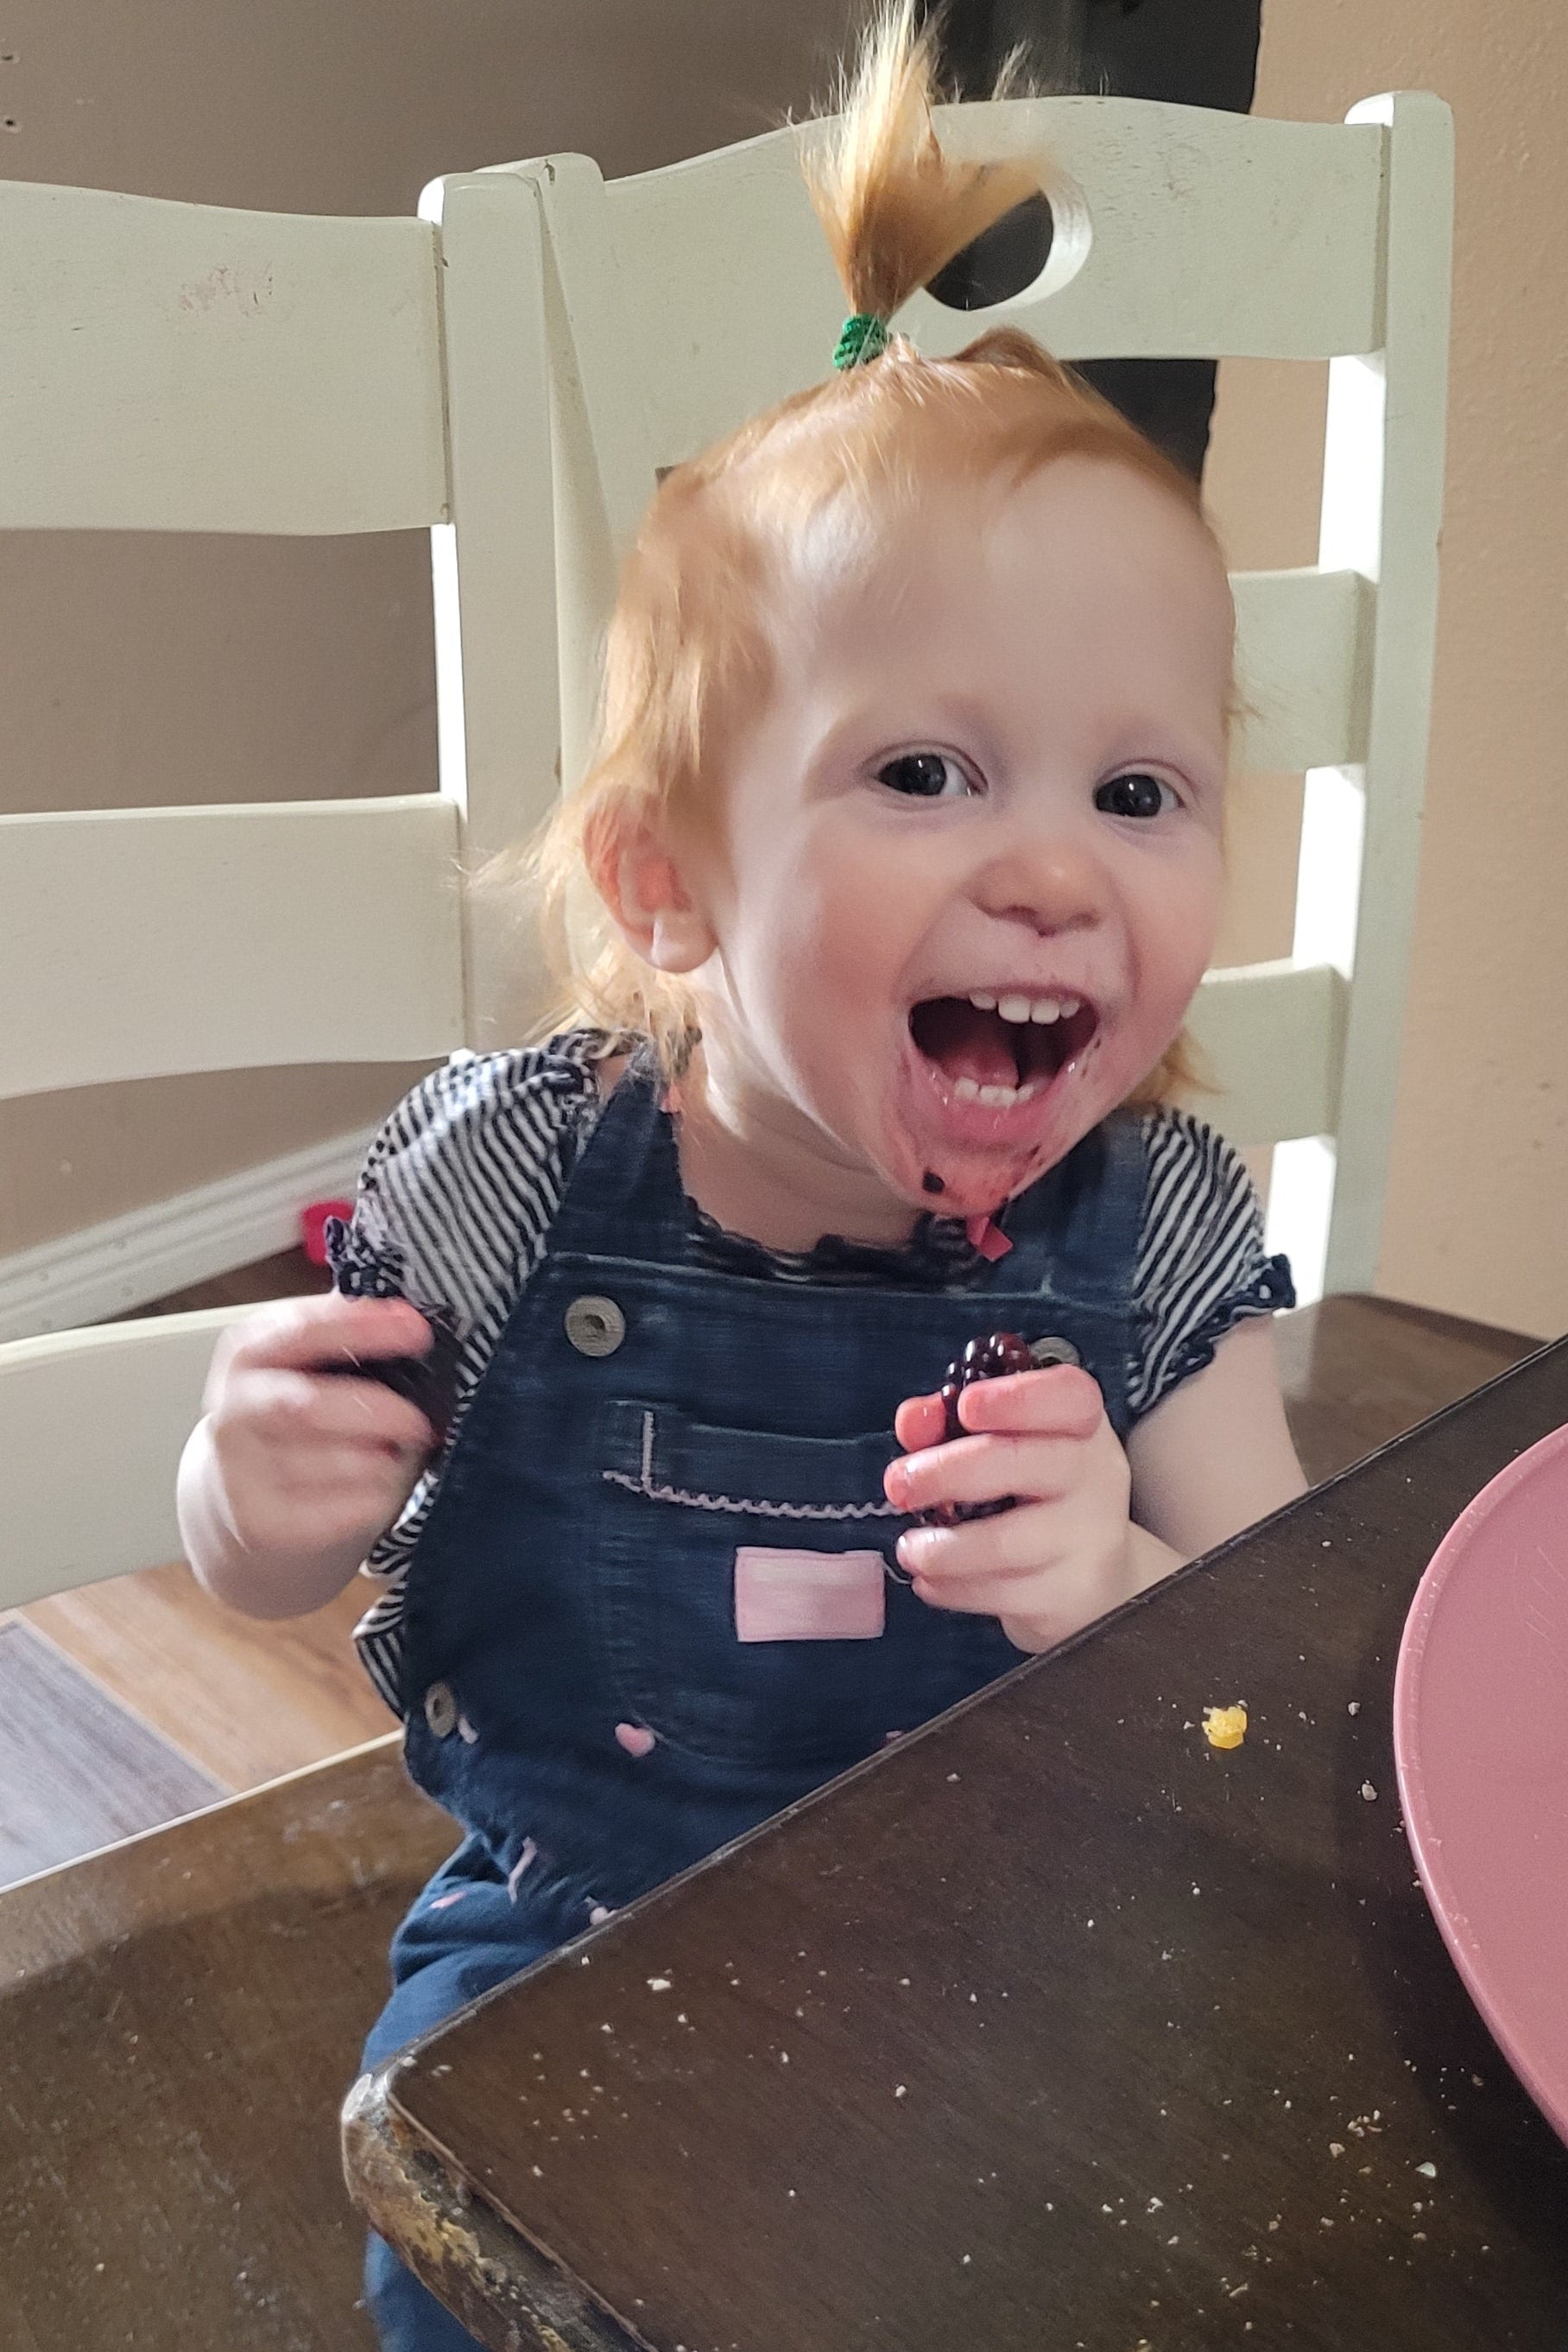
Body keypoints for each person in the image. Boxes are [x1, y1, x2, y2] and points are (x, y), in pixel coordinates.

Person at [177, 8, 1306, 2341]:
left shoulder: (1158, 1228)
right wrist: (247, 1491)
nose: (1054, 876)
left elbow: (1276, 1680)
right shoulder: (514, 1184)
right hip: (577, 1943)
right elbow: (271, 1567)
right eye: (927, 769)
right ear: (670, 882)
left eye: (1139, 792)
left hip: (1034, 1954)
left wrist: (1115, 1588)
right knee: (486, 2259)